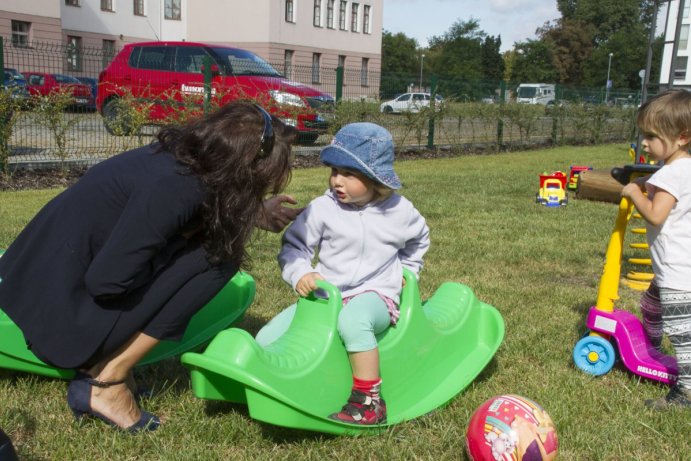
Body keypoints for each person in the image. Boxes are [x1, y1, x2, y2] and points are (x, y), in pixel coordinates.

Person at [0, 101, 301, 431]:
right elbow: (107, 282)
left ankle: (112, 371)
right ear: (247, 167)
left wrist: (250, 213)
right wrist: (175, 258)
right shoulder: (173, 189)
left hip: (36, 287)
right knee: (218, 260)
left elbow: (188, 208)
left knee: (206, 250)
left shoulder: (175, 157)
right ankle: (106, 383)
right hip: (55, 318)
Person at [256, 122, 430, 425]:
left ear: (376, 178)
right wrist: (300, 274)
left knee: (354, 321)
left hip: (376, 294)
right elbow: (294, 247)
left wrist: (408, 270)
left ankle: (369, 401)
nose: (338, 180)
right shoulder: (323, 209)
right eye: (334, 170)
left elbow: (420, 238)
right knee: (268, 336)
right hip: (328, 296)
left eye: (349, 174)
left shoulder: (399, 211)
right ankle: (272, 384)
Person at [621, 89, 691, 409]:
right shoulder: (685, 168)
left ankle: (685, 395)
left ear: (682, 137)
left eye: (651, 136)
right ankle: (650, 346)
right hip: (674, 270)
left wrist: (635, 192)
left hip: (678, 274)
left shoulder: (671, 174)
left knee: (684, 338)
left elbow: (656, 214)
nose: (645, 143)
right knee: (650, 305)